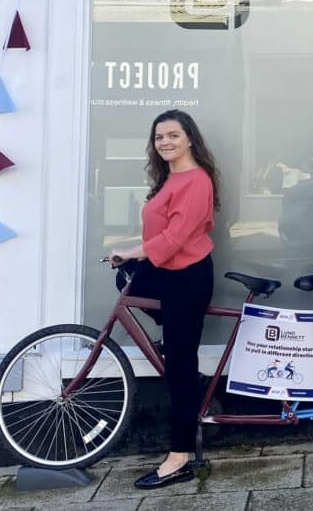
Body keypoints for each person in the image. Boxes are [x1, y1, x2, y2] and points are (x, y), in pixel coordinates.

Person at [109, 109, 218, 490]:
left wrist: (132, 250)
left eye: (173, 135)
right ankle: (169, 343)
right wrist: (132, 257)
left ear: (190, 138)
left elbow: (175, 239)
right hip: (168, 271)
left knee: (180, 367)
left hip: (187, 277)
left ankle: (180, 456)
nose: (166, 142)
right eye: (159, 137)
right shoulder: (171, 178)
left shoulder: (197, 181)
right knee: (131, 284)